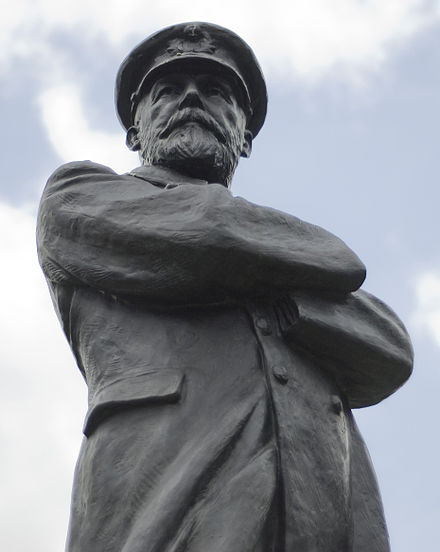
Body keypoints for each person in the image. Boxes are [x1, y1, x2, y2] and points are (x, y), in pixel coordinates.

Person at [37, 22, 413, 552]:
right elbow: (215, 235)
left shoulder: (278, 255)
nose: (193, 98)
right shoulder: (79, 194)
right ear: (134, 131)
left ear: (246, 137)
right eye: (168, 91)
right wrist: (306, 268)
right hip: (166, 487)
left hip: (321, 504)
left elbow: (389, 345)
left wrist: (293, 304)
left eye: (217, 92)